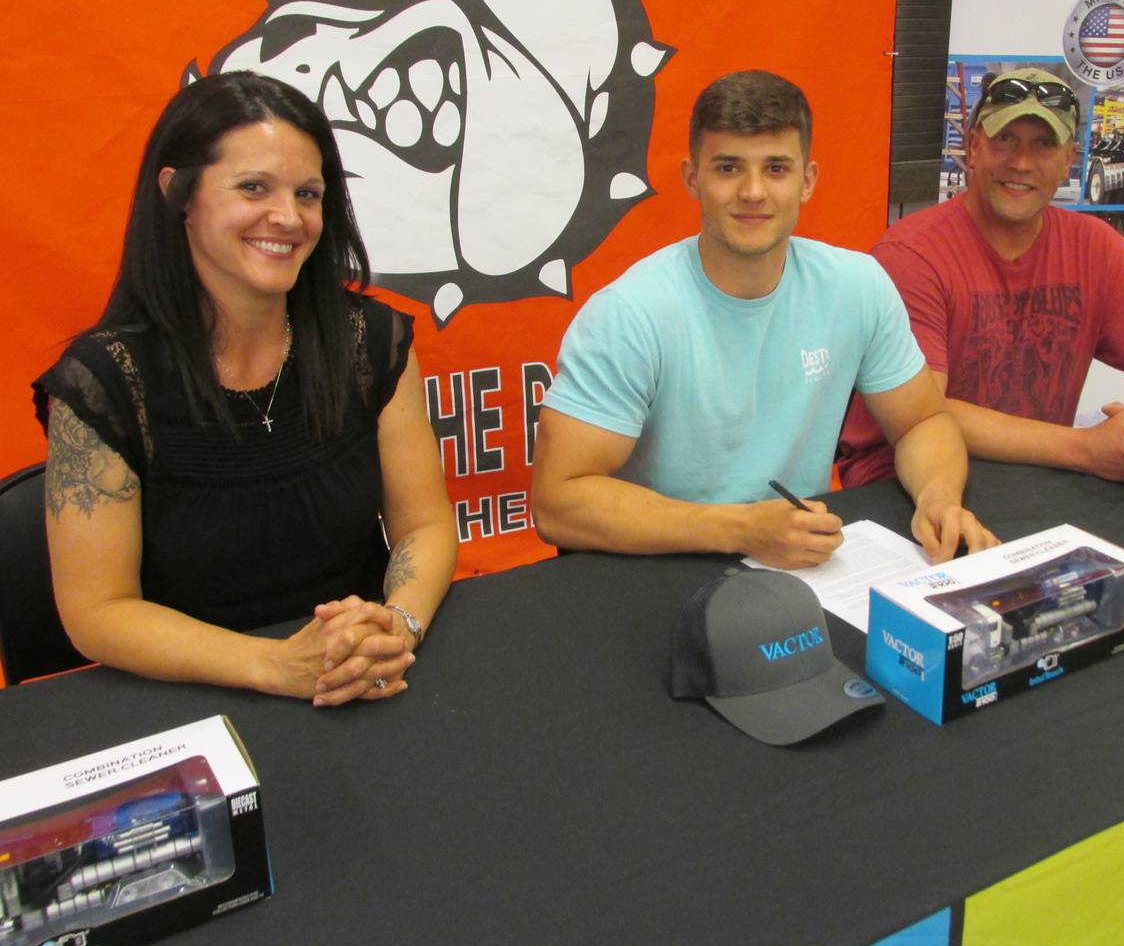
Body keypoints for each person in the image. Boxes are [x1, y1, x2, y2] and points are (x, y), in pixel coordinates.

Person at [34, 72, 457, 706]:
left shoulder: (372, 340)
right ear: (178, 194)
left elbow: (424, 524)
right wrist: (274, 664)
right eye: (253, 187)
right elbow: (99, 611)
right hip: (194, 696)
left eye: (308, 193)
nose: (287, 218)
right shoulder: (103, 383)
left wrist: (397, 627)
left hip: (362, 676)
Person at [532, 70, 997, 569]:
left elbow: (922, 421)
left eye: (776, 169)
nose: (753, 192)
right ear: (693, 179)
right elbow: (559, 503)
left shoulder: (858, 285)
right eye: (728, 168)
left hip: (796, 559)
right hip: (658, 564)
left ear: (808, 181)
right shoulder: (630, 314)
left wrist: (938, 497)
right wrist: (742, 529)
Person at [838, 67, 1124, 488]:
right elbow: (921, 410)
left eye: (1044, 144)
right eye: (1005, 139)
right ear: (973, 147)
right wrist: (1085, 448)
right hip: (907, 485)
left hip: (1042, 479)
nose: (1022, 162)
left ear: (1069, 160)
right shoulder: (911, 256)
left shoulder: (1096, 247)